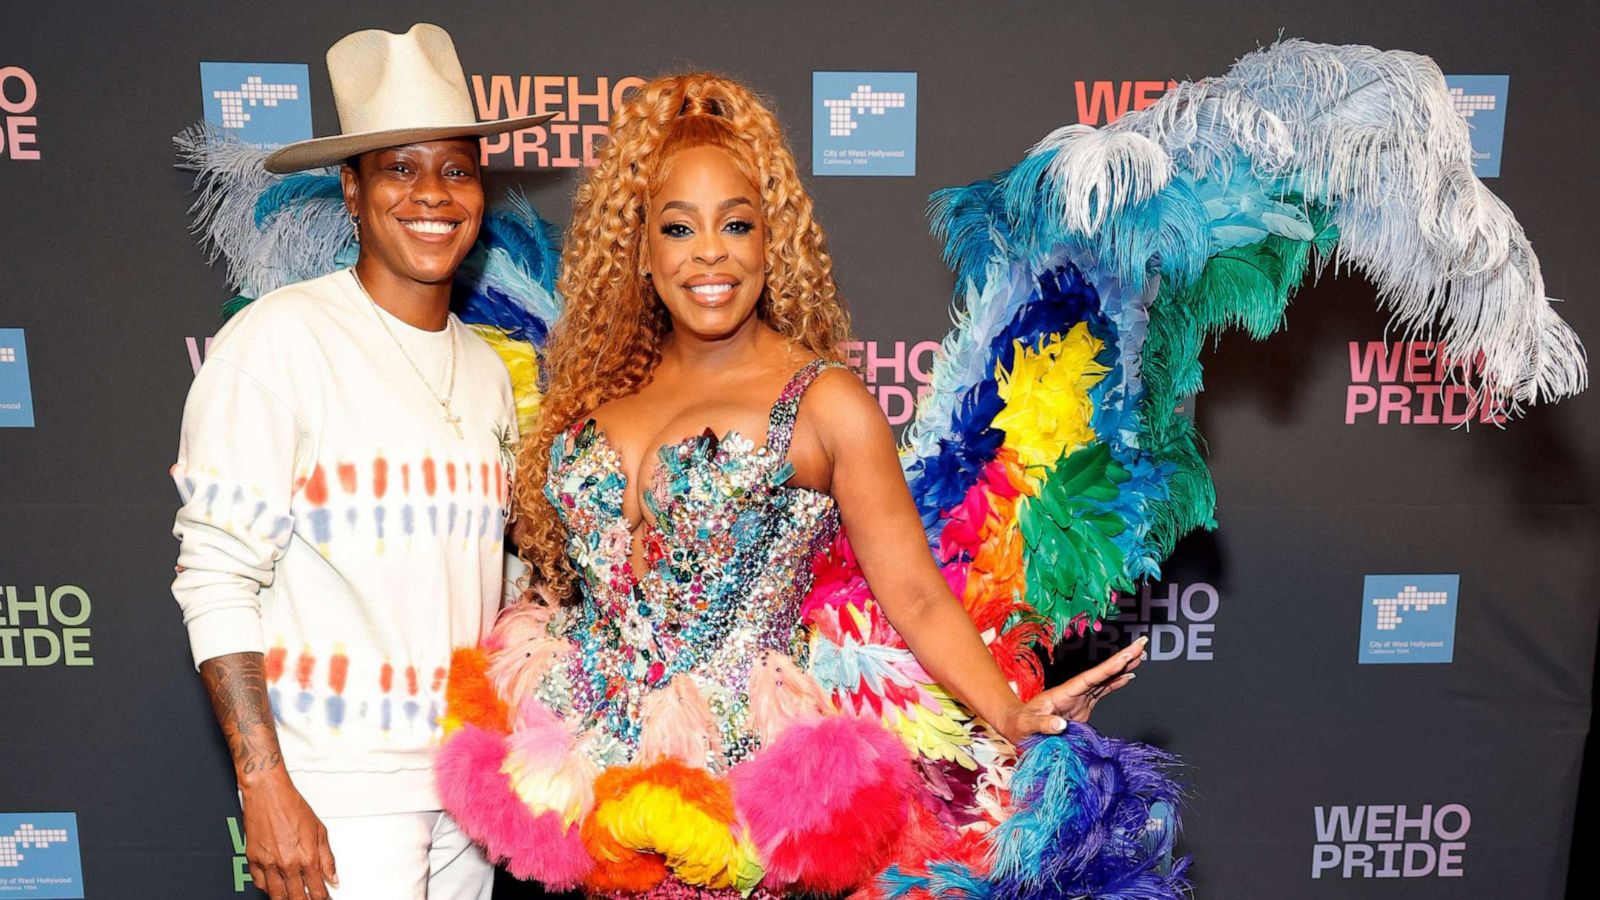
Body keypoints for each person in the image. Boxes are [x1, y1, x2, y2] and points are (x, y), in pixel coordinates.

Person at [434, 72, 1151, 898]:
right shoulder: (595, 392)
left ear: (772, 242)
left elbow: (914, 592)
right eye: (679, 227)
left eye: (737, 225)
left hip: (735, 778)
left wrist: (1010, 712)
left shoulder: (823, 402)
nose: (710, 252)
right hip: (569, 753)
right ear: (640, 248)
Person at [170, 24, 550, 900]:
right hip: (337, 796)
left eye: (456, 169)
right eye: (398, 168)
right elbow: (216, 578)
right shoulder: (279, 340)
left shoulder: (492, 371)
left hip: (465, 790)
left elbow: (490, 577)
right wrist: (265, 784)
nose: (432, 195)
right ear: (351, 188)